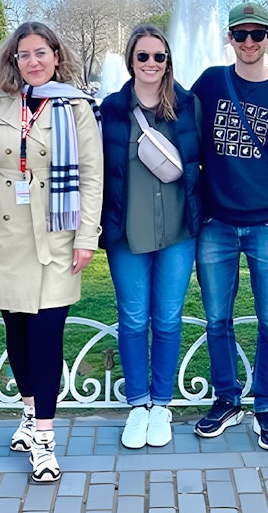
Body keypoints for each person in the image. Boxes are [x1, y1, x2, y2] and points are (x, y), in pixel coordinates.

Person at [0, 22, 102, 483]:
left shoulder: (76, 107)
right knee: (16, 330)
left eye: (42, 52)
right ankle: (27, 412)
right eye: (24, 55)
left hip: (56, 232)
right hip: (1, 233)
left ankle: (44, 439)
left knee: (46, 334)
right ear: (13, 60)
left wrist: (86, 236)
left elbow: (92, 176)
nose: (34, 61)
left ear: (56, 56)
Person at [190, 2, 268, 451]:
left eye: (257, 34)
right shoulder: (213, 82)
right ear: (230, 39)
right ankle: (226, 398)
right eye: (241, 35)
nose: (250, 42)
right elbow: (183, 129)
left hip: (267, 224)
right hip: (217, 224)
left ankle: (267, 406)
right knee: (217, 320)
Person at [99, 25, 202, 450]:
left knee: (168, 318)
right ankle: (137, 403)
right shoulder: (111, 108)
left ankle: (162, 403)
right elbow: (98, 169)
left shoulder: (188, 105)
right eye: (143, 56)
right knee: (134, 318)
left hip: (178, 230)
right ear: (130, 61)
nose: (151, 64)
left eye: (159, 57)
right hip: (128, 231)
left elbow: (205, 160)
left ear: (168, 61)